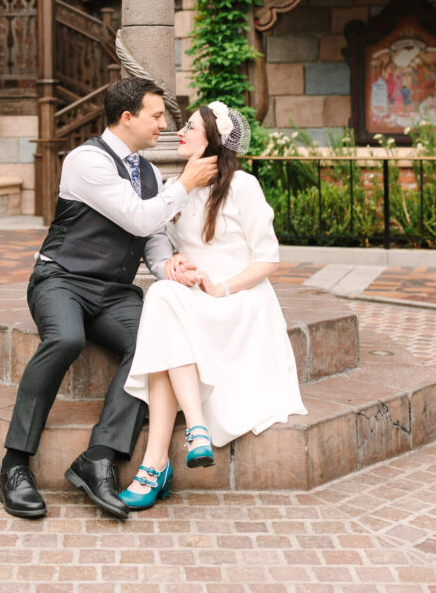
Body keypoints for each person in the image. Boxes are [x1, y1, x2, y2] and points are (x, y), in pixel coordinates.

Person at [0, 77, 218, 520]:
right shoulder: (85, 161)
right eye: (157, 116)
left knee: (150, 345)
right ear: (127, 117)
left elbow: (153, 237)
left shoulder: (151, 173)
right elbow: (137, 218)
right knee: (66, 339)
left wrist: (169, 268)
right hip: (61, 279)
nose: (164, 126)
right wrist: (187, 184)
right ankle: (14, 465)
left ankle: (98, 458)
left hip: (115, 292)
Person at [119, 101, 307, 509]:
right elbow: (165, 247)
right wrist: (175, 265)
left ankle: (154, 464)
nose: (179, 131)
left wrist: (221, 288)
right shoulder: (178, 188)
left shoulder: (243, 186)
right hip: (194, 296)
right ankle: (196, 428)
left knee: (161, 316)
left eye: (189, 127)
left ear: (213, 140)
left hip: (239, 299)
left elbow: (269, 260)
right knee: (163, 292)